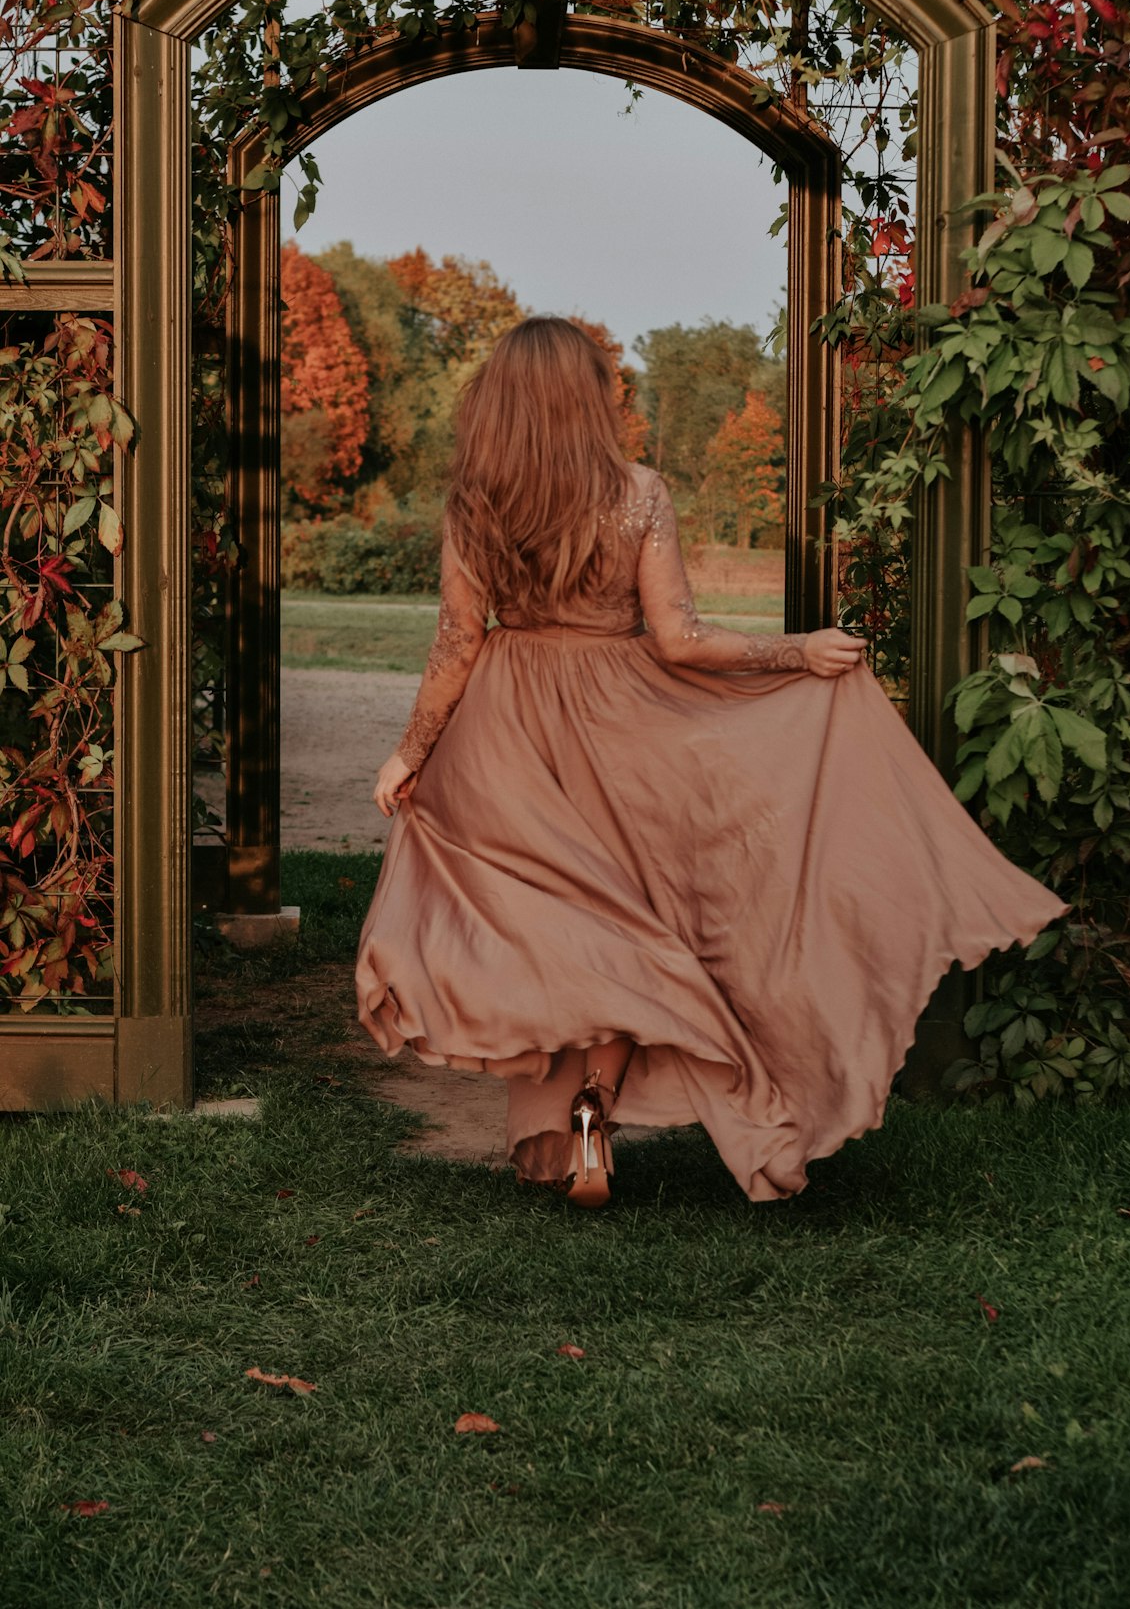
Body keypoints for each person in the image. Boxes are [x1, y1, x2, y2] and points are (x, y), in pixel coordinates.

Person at [355, 317, 1067, 1207]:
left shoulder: (476, 503)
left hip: (507, 733)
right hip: (623, 726)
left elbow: (458, 644)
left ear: (498, 401)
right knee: (639, 920)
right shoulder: (638, 492)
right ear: (589, 399)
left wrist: (409, 752)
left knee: (551, 920)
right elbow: (681, 642)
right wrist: (797, 653)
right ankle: (594, 1104)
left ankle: (571, 1115)